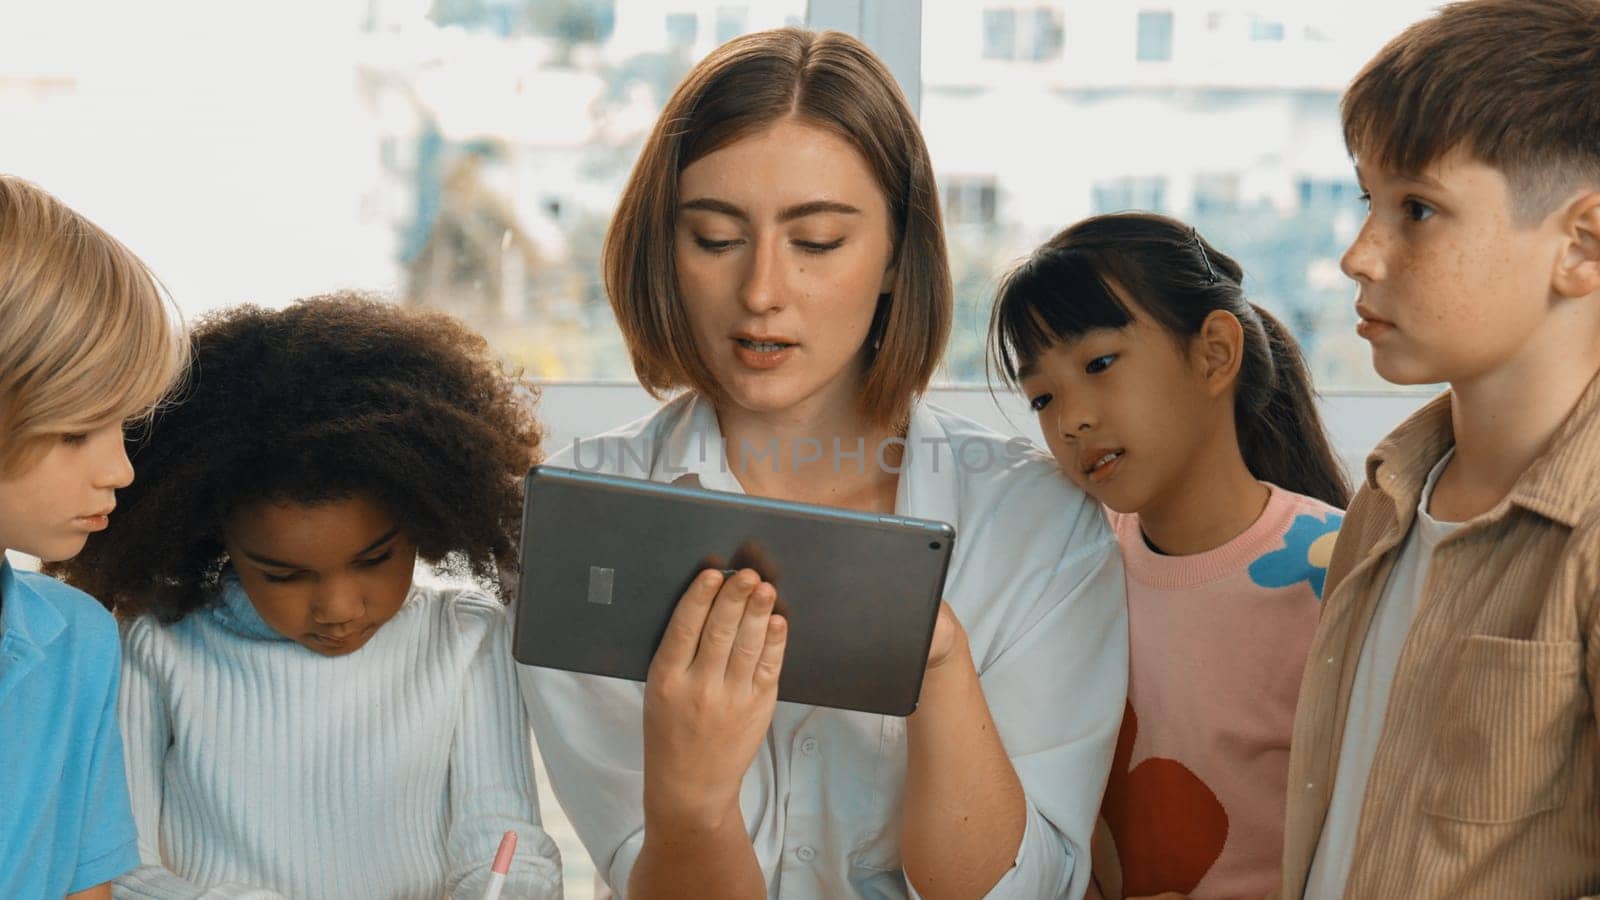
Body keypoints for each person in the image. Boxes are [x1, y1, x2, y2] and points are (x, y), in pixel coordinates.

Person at [519, 27, 1128, 900]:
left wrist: (941, 665)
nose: (762, 290)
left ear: (893, 256)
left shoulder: (1036, 526)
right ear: (665, 249)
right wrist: (691, 802)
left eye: (817, 242)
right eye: (717, 238)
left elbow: (1020, 893)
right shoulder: (588, 526)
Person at [52, 293, 564, 899]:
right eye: (283, 575)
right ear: (213, 536)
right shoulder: (154, 643)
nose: (340, 609)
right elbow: (117, 870)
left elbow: (506, 846)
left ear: (425, 517)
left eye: (374, 560)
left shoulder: (469, 639)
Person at [1276, 1, 1600, 896]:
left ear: (1581, 245)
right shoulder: (1386, 494)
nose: (1358, 254)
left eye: (1417, 209)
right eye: (1367, 201)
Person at [990, 212, 1348, 899]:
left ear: (1213, 353)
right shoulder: (1072, 569)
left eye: (1098, 364)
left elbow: (1380, 834)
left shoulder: (1337, 572)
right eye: (1042, 396)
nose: (1071, 419)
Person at [0, 174, 186, 898]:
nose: (120, 468)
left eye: (122, 424)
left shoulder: (77, 643)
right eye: (78, 429)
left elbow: (88, 885)